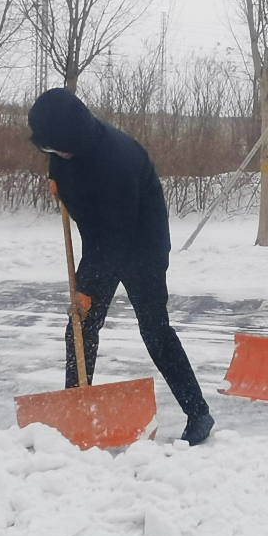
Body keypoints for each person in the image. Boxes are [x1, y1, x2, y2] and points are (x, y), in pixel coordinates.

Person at [27, 88, 214, 446]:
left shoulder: (117, 160)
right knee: (81, 327)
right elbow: (64, 166)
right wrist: (59, 182)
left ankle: (198, 412)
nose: (56, 155)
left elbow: (116, 235)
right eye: (50, 150)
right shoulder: (66, 145)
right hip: (102, 241)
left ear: (75, 139)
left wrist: (87, 288)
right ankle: (75, 414)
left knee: (154, 330)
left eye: (59, 150)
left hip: (141, 245)